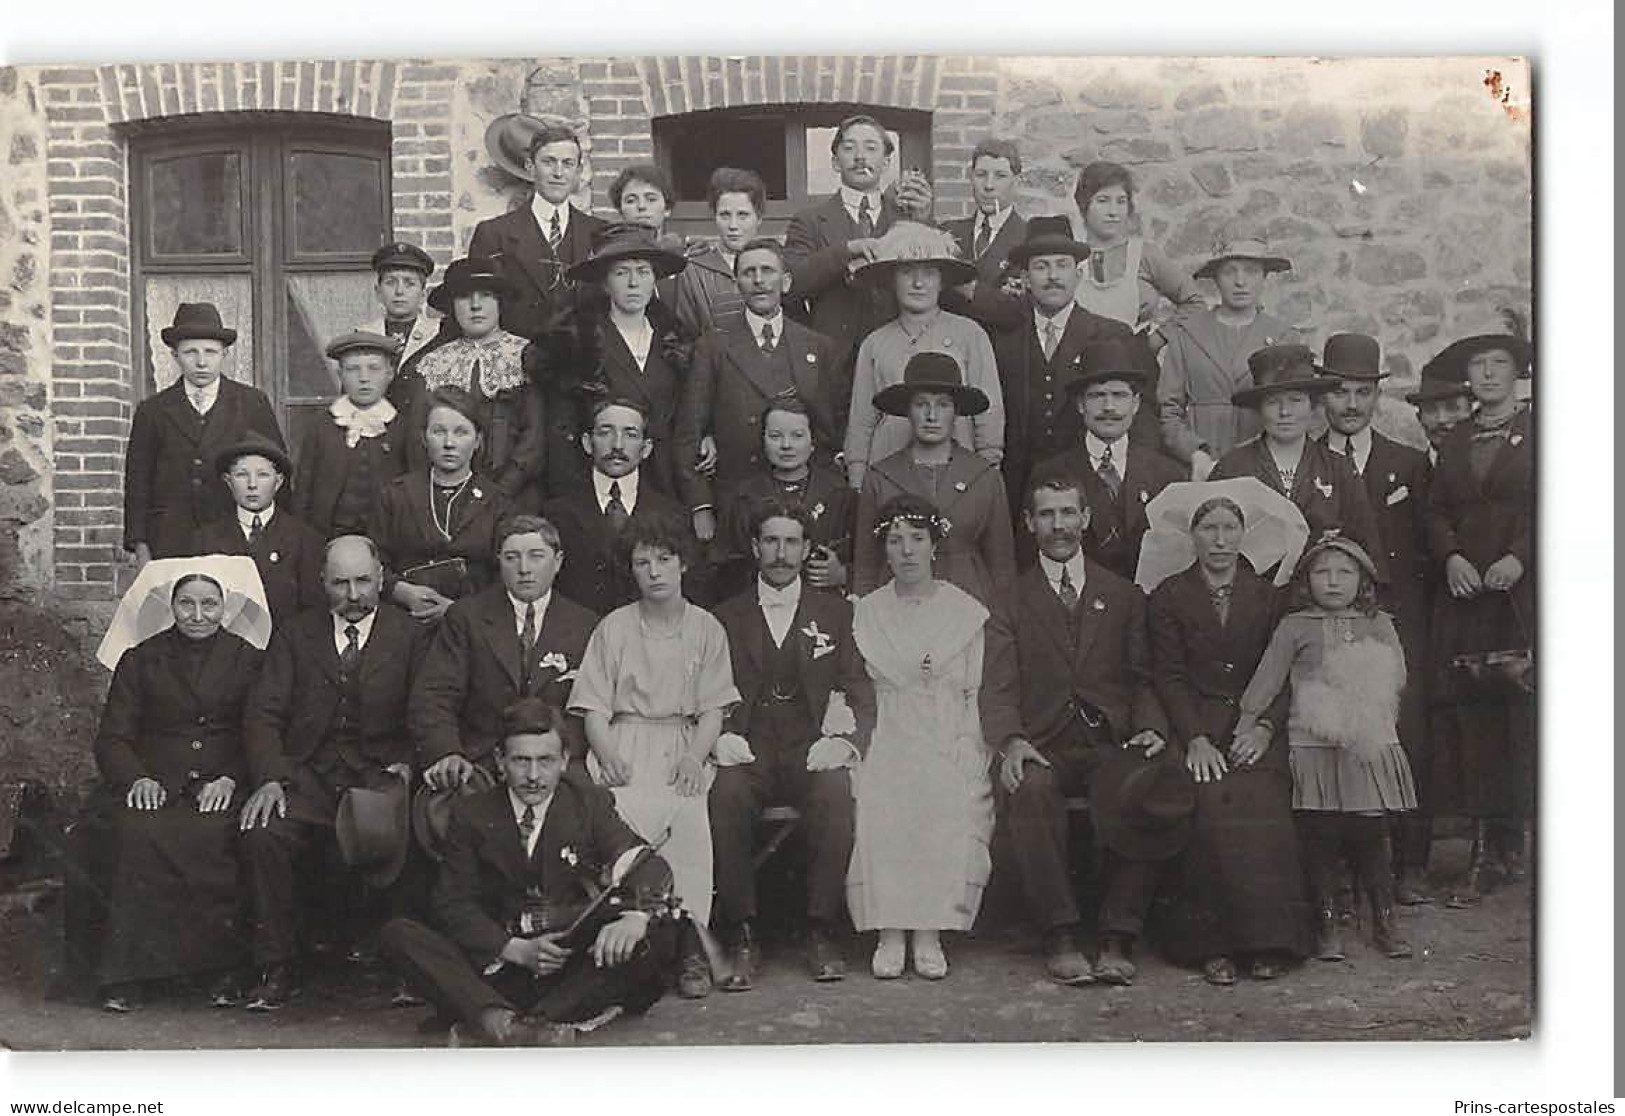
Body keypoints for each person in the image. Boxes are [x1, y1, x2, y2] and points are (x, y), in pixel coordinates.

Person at [380, 698, 682, 1047]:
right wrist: (515, 949)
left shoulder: (589, 804)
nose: (534, 776)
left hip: (568, 968)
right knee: (398, 935)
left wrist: (635, 916)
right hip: (502, 965)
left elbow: (642, 860)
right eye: (521, 761)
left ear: (565, 761)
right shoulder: (470, 813)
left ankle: (502, 1019)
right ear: (499, 761)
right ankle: (511, 1022)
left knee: (658, 934)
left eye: (546, 761)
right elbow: (453, 904)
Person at [978, 473, 1173, 986]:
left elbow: (1142, 678)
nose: (1058, 525)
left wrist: (1151, 726)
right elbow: (996, 686)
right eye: (1046, 514)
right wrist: (1012, 740)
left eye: (1068, 513)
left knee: (1150, 787)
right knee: (1030, 790)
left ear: (1085, 519)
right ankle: (1059, 934)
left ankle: (1118, 936)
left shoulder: (1124, 594)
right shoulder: (1008, 599)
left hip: (1109, 740)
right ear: (1029, 524)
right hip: (1043, 742)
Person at [237, 535, 427, 1010]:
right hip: (309, 777)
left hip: (378, 775)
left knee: (409, 833)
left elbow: (428, 709)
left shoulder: (410, 636)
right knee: (266, 833)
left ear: (382, 579)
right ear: (322, 583)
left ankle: (404, 966)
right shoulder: (296, 635)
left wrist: (407, 762)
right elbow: (264, 713)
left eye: (364, 581)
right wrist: (270, 778)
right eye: (340, 583)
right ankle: (276, 965)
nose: (354, 594)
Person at [74, 569, 265, 1011]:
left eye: (209, 605)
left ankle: (218, 971)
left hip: (221, 781)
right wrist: (136, 777)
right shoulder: (141, 659)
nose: (198, 615)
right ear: (171, 608)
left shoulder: (249, 659)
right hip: (154, 781)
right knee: (135, 836)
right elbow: (114, 737)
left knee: (215, 837)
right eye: (187, 604)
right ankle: (127, 975)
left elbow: (259, 731)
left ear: (226, 609)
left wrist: (232, 777)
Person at [568, 514, 740, 999]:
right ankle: (632, 939)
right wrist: (607, 753)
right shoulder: (614, 627)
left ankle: (691, 946)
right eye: (642, 563)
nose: (655, 572)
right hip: (623, 739)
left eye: (664, 560)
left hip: (681, 743)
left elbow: (712, 709)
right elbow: (594, 708)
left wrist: (694, 757)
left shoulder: (706, 628)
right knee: (623, 816)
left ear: (683, 564)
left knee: (688, 818)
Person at [1146, 492, 1310, 984]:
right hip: (1195, 723)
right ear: (1191, 536)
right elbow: (1168, 676)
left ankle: (1268, 941)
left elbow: (1287, 673)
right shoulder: (1169, 596)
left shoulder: (1268, 596)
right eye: (1208, 529)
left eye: (1228, 529)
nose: (1219, 540)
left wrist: (1263, 727)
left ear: (1244, 535)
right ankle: (1209, 945)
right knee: (1205, 804)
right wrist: (1194, 737)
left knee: (1264, 801)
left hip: (1253, 724)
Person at [708, 498, 872, 988]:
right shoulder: (725, 615)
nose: (781, 553)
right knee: (726, 796)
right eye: (772, 541)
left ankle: (821, 928)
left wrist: (845, 740)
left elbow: (859, 686)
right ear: (755, 547)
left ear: (806, 550)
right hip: (749, 746)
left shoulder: (836, 613)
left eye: (792, 542)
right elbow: (703, 687)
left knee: (836, 794)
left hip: (809, 744)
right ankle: (742, 930)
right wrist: (719, 734)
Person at [1233, 533, 1418, 961]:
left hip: (1365, 741)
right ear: (1306, 579)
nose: (1333, 581)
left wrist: (1360, 686)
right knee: (1321, 833)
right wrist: (1248, 721)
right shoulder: (1294, 626)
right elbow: (1268, 679)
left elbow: (1398, 676)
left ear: (1363, 580)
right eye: (1322, 572)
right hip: (1312, 743)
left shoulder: (1379, 623)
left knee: (1372, 831)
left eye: (1345, 573)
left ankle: (1384, 919)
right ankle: (1327, 921)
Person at [848, 494, 995, 980]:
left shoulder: (964, 612)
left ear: (935, 547)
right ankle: (890, 928)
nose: (907, 551)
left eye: (917, 539)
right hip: (889, 728)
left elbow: (973, 691)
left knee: (945, 790)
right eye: (895, 541)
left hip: (946, 729)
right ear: (884, 551)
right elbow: (860, 691)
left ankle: (930, 929)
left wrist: (968, 743)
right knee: (882, 792)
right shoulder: (867, 612)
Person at [1317, 333, 1436, 903]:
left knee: (1403, 733)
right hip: (1330, 619)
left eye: (1362, 392)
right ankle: (1342, 865)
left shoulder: (1408, 464)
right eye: (1338, 392)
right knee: (1334, 732)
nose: (1350, 404)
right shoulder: (1310, 465)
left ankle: (1407, 864)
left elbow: (1425, 549)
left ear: (1376, 397)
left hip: (1396, 620)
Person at [1425, 332, 1534, 907]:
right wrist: (1452, 556)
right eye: (1478, 366)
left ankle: (1520, 840)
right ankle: (1486, 848)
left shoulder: (1545, 430)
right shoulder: (1459, 437)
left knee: (1525, 708)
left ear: (1517, 372)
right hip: (1470, 595)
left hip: (1523, 591)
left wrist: (1522, 555)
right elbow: (1437, 507)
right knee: (1475, 713)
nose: (1488, 375)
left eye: (1500, 364)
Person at [675, 237, 844, 544]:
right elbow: (690, 429)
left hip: (803, 500)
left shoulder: (817, 346)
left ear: (786, 281)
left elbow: (831, 429)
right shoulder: (714, 345)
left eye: (768, 271)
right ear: (737, 282)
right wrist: (701, 506)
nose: (759, 281)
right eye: (748, 272)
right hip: (736, 501)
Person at [412, 514, 600, 788]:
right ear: (499, 561)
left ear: (557, 562)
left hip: (557, 765)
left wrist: (553, 758)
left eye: (536, 556)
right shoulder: (466, 618)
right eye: (512, 557)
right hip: (482, 763)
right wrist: (447, 752)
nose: (524, 568)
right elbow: (434, 696)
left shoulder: (585, 624)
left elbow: (589, 710)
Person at [990, 216, 1142, 514]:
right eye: (1041, 266)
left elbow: (1143, 417)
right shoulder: (1002, 342)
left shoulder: (1113, 335)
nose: (1052, 276)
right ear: (1025, 278)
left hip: (1088, 485)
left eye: (1062, 265)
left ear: (1078, 274)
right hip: (1017, 491)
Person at [842, 222, 1005, 487]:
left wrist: (985, 470)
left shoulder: (970, 335)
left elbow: (990, 410)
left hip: (955, 471)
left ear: (942, 281)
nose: (918, 283)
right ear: (892, 280)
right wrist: (859, 480)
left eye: (929, 273)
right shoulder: (875, 343)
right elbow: (861, 420)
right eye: (907, 272)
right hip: (890, 468)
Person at [123, 302, 287, 563]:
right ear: (175, 355)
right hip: (170, 538)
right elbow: (138, 484)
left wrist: (273, 535)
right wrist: (140, 545)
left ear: (225, 354)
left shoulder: (251, 403)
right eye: (190, 352)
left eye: (210, 352)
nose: (201, 362)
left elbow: (277, 472)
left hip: (234, 535)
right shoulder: (152, 410)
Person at [536, 224, 691, 497]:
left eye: (643, 272)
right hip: (598, 482)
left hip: (667, 480)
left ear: (655, 279)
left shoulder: (676, 341)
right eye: (622, 273)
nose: (633, 283)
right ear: (605, 284)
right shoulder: (579, 344)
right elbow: (563, 430)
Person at [851, 352, 1015, 609]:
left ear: (956, 412)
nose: (931, 415)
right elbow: (866, 565)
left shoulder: (984, 477)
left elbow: (1002, 566)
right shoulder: (880, 477)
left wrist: (1002, 625)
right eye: (921, 404)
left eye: (942, 405)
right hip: (898, 605)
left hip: (969, 603)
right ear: (908, 410)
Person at [1210, 344, 1387, 581]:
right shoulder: (1233, 467)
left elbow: (1366, 547)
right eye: (1273, 402)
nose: (1285, 412)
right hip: (1250, 600)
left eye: (1296, 400)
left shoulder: (1338, 468)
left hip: (1317, 604)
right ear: (1260, 408)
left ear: (1313, 405)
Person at [783, 114, 934, 374]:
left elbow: (936, 280)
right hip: (833, 363)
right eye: (849, 148)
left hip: (900, 356)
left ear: (887, 162)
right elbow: (791, 285)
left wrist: (924, 223)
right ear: (835, 162)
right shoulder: (809, 221)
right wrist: (847, 250)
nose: (860, 157)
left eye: (871, 148)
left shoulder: (907, 217)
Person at [1032, 339, 1184, 581]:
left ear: (1135, 404)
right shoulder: (1051, 472)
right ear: (1080, 405)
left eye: (1119, 395)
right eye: (1097, 396)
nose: (1109, 407)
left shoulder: (1168, 475)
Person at [406, 257, 546, 512]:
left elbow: (534, 438)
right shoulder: (433, 363)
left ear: (500, 303)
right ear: (452, 306)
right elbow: (418, 436)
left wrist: (501, 492)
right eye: (464, 297)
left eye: (486, 296)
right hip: (447, 495)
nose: (475, 306)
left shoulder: (526, 356)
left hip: (515, 496)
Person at [1159, 232, 1299, 476]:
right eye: (1229, 271)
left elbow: (1294, 410)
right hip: (1201, 463)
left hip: (1264, 462)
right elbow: (1168, 410)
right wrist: (1194, 453)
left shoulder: (1283, 337)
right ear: (1215, 278)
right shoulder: (1187, 334)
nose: (1240, 281)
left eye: (1251, 271)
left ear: (1265, 277)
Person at [542, 397, 695, 616]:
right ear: (587, 442)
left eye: (630, 434)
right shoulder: (556, 514)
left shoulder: (673, 515)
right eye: (605, 432)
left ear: (646, 448)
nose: (617, 445)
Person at [375, 386, 514, 625]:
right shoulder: (396, 496)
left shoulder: (498, 503)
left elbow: (505, 577)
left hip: (476, 626)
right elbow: (374, 563)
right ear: (423, 438)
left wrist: (458, 610)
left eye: (461, 432)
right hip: (406, 622)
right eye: (438, 431)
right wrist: (402, 591)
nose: (449, 443)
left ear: (478, 441)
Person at [471, 118, 607, 341]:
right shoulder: (493, 234)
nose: (558, 173)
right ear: (530, 167)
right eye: (549, 162)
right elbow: (479, 305)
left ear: (578, 171)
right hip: (516, 364)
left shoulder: (599, 234)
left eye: (568, 163)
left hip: (583, 366)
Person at [715, 397, 856, 601]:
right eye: (775, 436)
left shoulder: (839, 494)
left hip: (822, 605)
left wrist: (844, 575)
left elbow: (867, 556)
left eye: (797, 436)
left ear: (813, 440)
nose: (786, 445)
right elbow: (723, 564)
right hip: (759, 604)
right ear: (763, 440)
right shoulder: (744, 497)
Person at [189, 434, 325, 627]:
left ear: (278, 482)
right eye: (242, 475)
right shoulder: (205, 540)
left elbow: (312, 613)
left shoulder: (304, 539)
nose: (252, 485)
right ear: (228, 481)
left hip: (285, 649)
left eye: (262, 475)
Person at [292, 331, 414, 540]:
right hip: (327, 538)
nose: (364, 378)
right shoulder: (321, 426)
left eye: (374, 369)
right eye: (353, 369)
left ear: (390, 374)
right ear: (340, 375)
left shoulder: (402, 428)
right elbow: (303, 492)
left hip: (388, 539)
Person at [1070, 160, 1205, 345]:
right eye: (1103, 201)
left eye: (1121, 201)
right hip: (1080, 367)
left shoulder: (1145, 255)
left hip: (1135, 366)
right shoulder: (1070, 258)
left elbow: (1195, 302)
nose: (1113, 212)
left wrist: (1158, 339)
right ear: (1084, 205)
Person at [941, 138, 1027, 332]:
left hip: (1002, 352)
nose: (989, 186)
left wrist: (962, 285)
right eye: (981, 175)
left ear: (1016, 181)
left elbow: (1019, 309)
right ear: (971, 177)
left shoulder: (1029, 239)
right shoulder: (949, 232)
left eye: (1000, 176)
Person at [673, 167, 767, 338]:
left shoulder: (776, 266)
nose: (733, 225)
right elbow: (684, 336)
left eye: (743, 215)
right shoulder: (694, 271)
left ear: (759, 218)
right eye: (725, 215)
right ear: (714, 216)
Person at [362, 241, 439, 413]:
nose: (399, 291)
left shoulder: (438, 336)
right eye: (390, 282)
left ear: (423, 294)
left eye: (409, 283)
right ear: (378, 291)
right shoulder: (364, 336)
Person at [1407, 353, 1477, 466]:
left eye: (1452, 408)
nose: (1441, 419)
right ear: (1419, 418)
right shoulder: (1410, 473)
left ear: (1471, 414)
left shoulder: (1493, 470)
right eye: (1430, 409)